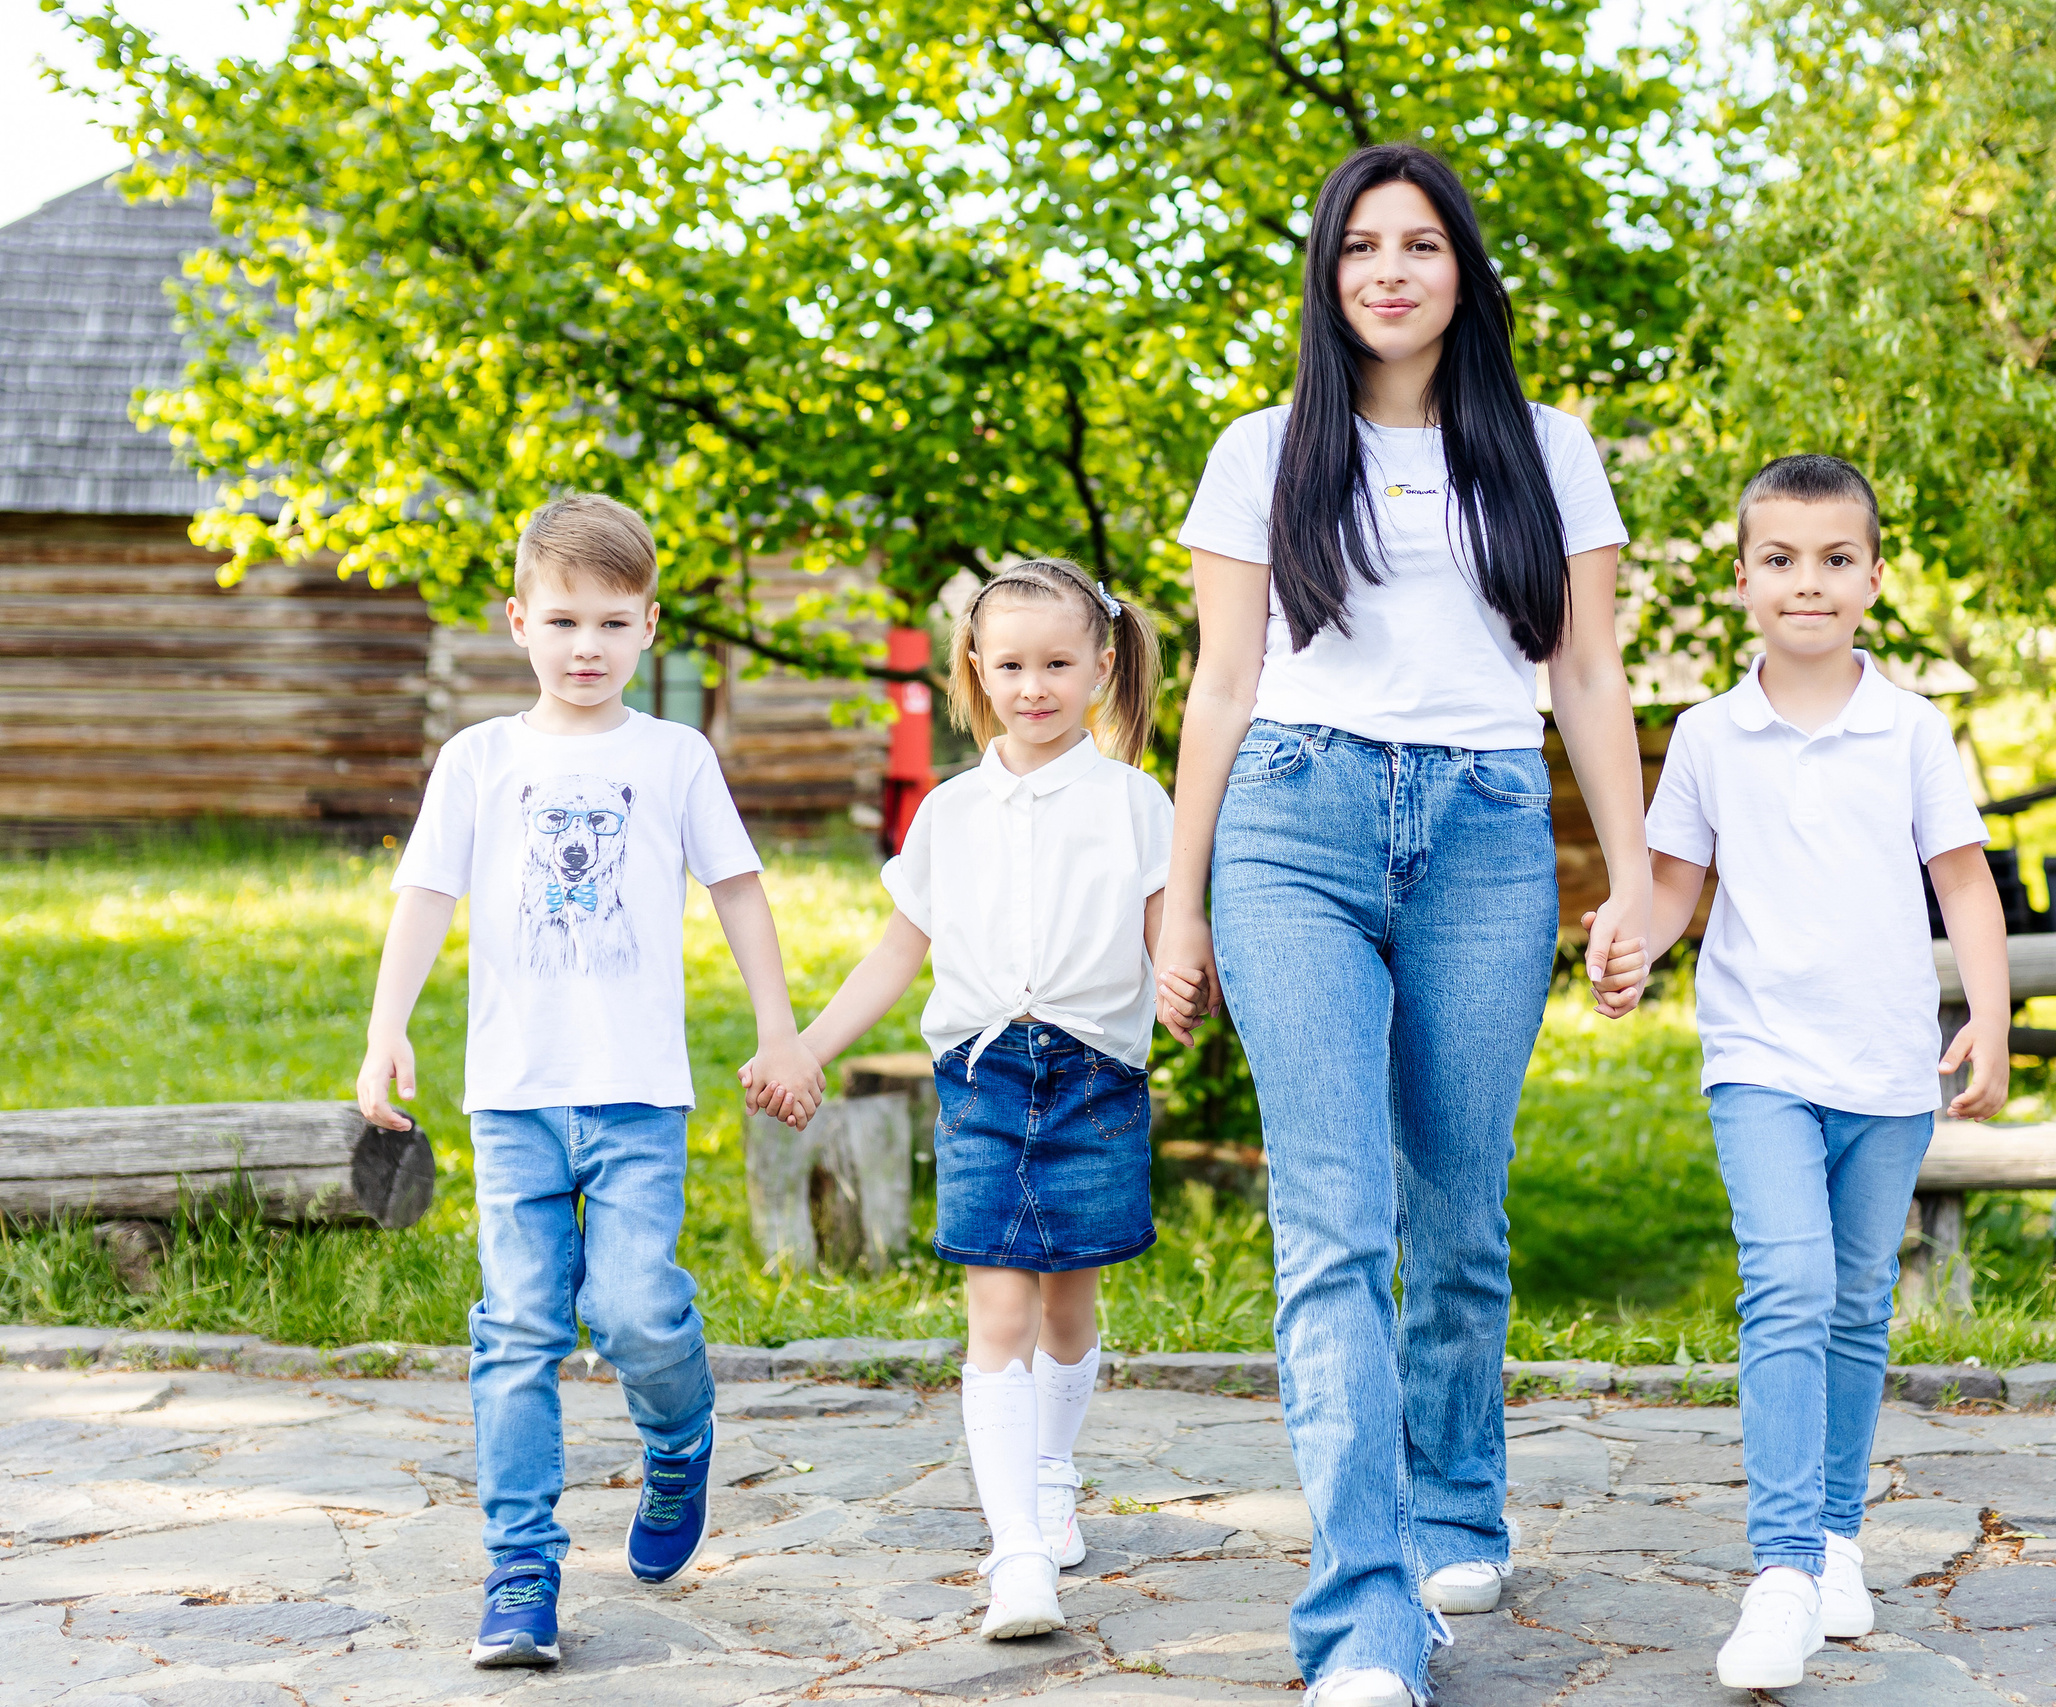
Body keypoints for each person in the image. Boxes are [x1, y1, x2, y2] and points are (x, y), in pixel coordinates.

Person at [1153, 144, 1653, 1707]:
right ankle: (1365, 1614)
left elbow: (1586, 680)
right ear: (1328, 269)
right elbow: (1220, 687)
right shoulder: (1262, 450)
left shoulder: (1548, 449)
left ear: (1462, 270)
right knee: (1333, 1216)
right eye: (1361, 245)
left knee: (1459, 1201)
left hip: (1490, 835)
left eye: (1420, 244)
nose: (1389, 270)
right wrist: (1180, 896)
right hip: (1292, 825)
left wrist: (1632, 878)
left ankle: (1455, 1496)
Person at [354, 493, 825, 1669]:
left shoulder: (673, 758)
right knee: (514, 1328)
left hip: (635, 1096)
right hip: (513, 1096)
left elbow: (739, 892)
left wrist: (781, 1031)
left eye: (612, 624)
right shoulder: (479, 759)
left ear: (650, 627)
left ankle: (680, 1438)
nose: (585, 648)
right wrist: (386, 1030)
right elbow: (424, 896)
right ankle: (521, 1571)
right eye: (562, 621)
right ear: (517, 621)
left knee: (630, 1312)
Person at [1636, 453, 2010, 1691]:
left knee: (1854, 1303)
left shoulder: (1908, 728)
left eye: (1835, 559)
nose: (1809, 583)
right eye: (1782, 560)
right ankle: (1782, 1570)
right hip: (1758, 1059)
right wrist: (1629, 934)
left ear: (1872, 578)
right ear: (1741, 579)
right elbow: (1677, 883)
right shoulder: (1704, 735)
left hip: (1889, 1066)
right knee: (1787, 1287)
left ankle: (1838, 1539)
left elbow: (1962, 879)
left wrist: (1991, 1023)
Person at [771, 557, 1171, 1643]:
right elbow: (899, 952)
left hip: (1096, 1079)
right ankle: (1019, 1554)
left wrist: (1188, 983)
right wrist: (806, 1046)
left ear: (1099, 663)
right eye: (1009, 665)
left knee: (1068, 1307)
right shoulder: (947, 813)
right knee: (997, 1314)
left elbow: (1164, 937)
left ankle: (1051, 1476)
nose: (1033, 685)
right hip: (986, 1079)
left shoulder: (1138, 803)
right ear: (975, 672)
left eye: (1056, 662)